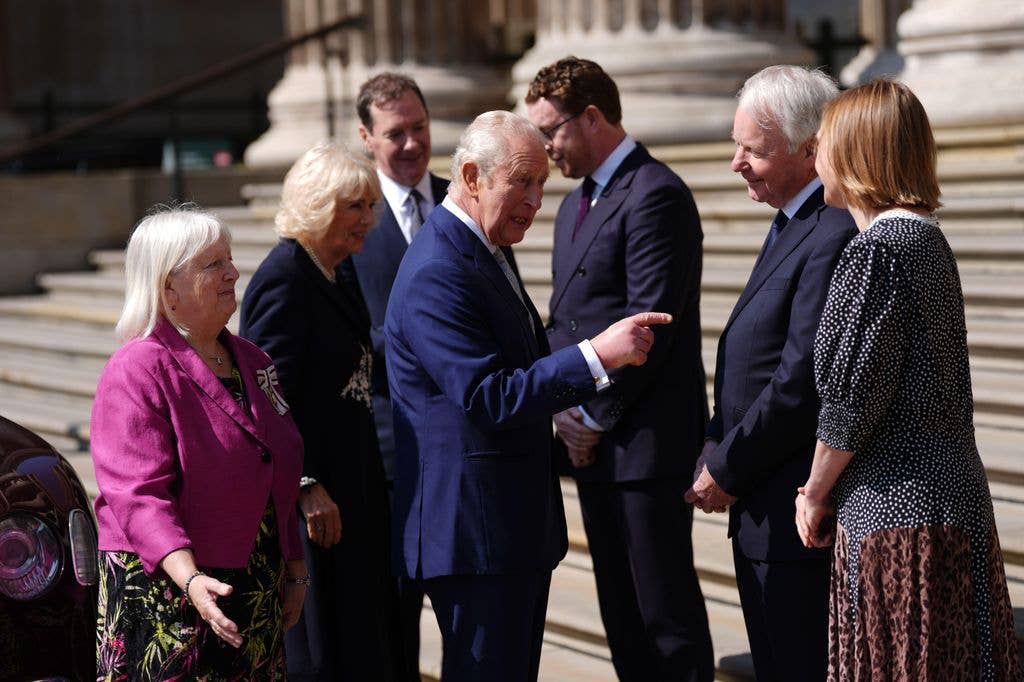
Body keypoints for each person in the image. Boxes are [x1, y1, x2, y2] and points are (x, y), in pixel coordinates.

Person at [385, 110, 673, 682]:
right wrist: (597, 356)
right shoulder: (438, 268)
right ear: (471, 177)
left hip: (508, 531)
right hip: (474, 537)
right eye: (522, 181)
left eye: (542, 182)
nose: (538, 199)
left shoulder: (483, 248)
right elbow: (487, 396)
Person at [797, 78, 1021, 680]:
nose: (813, 156)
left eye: (822, 143)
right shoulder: (923, 239)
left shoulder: (880, 249)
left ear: (853, 153)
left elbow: (851, 400)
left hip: (896, 514)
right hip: (948, 501)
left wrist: (815, 492)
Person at [525, 56, 713, 682]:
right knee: (621, 617)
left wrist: (589, 415)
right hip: (595, 448)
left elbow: (649, 327)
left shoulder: (655, 193)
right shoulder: (578, 202)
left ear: (594, 117)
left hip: (643, 444)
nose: (545, 147)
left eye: (552, 130)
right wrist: (564, 410)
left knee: (664, 616)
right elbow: (566, 319)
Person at [339, 73, 519, 679]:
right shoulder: (347, 223)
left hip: (466, 454)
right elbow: (343, 341)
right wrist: (426, 340)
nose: (413, 144)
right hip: (390, 454)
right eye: (396, 133)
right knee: (393, 631)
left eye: (420, 128)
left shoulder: (466, 200)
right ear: (366, 137)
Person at [682, 65, 857, 680]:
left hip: (791, 515)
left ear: (810, 151)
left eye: (752, 149)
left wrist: (727, 466)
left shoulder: (831, 231)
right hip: (760, 510)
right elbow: (749, 363)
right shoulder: (791, 225)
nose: (735, 163)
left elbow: (800, 377)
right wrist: (714, 442)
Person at [92, 206, 307, 680]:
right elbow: (138, 494)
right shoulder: (137, 368)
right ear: (169, 285)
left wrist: (294, 566)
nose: (233, 272)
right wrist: (189, 578)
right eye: (213, 264)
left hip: (253, 585)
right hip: (171, 591)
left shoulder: (252, 360)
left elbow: (281, 465)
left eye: (229, 259)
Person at [240, 142, 397, 681]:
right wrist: (303, 482)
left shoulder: (336, 271)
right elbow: (262, 398)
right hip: (313, 508)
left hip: (355, 490)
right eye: (356, 206)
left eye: (371, 206)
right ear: (318, 204)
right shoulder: (284, 276)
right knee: (324, 656)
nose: (369, 220)